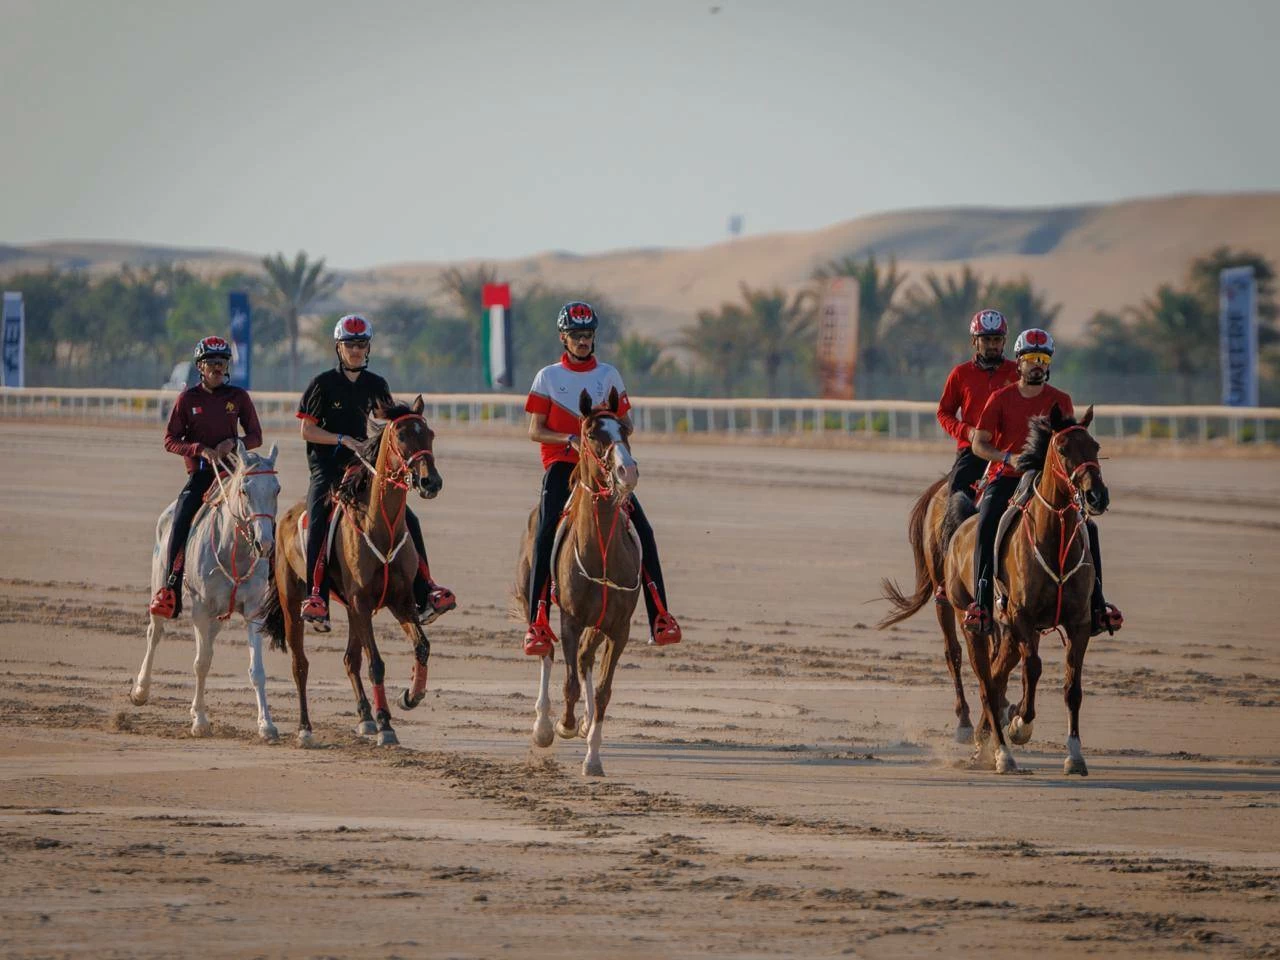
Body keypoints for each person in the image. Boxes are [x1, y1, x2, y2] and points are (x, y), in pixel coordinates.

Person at [522, 301, 682, 656]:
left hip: (604, 468)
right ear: (563, 338)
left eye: (588, 335)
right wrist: (571, 439)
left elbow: (627, 423)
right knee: (545, 534)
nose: (583, 341)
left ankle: (660, 615)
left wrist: (609, 436)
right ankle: (537, 622)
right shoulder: (548, 377)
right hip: (562, 466)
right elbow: (535, 430)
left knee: (644, 531)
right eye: (576, 335)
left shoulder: (609, 374)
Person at [295, 314, 454, 631]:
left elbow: (391, 427)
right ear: (339, 347)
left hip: (364, 465)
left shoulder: (377, 385)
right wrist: (342, 439)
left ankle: (426, 590)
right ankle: (317, 596)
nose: (356, 350)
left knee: (409, 518)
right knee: (317, 517)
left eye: (361, 344)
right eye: (350, 345)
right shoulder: (322, 384)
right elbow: (307, 431)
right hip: (327, 468)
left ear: (368, 348)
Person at [965, 328, 1123, 637]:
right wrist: (1006, 457)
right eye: (1031, 359)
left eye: (1043, 359)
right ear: (1019, 362)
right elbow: (978, 444)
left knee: (1089, 528)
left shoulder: (1061, 400)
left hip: (1052, 481)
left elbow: (1069, 444)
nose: (1037, 365)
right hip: (1008, 477)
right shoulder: (1000, 398)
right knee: (986, 522)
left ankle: (1097, 606)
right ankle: (982, 604)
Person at [149, 336, 263, 618]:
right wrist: (199, 449)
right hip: (201, 477)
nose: (217, 367)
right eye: (211, 362)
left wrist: (234, 444)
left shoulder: (238, 397)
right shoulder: (187, 399)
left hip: (232, 474)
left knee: (263, 513)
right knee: (179, 521)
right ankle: (170, 591)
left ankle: (271, 587)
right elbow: (170, 440)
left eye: (222, 362)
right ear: (200, 367)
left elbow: (256, 436)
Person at [936, 309, 1019, 497]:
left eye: (997, 340)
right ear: (974, 341)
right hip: (972, 451)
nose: (992, 345)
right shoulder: (960, 374)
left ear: (1004, 341)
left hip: (1011, 452)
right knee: (957, 498)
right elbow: (944, 413)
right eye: (986, 340)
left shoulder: (1018, 373)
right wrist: (967, 432)